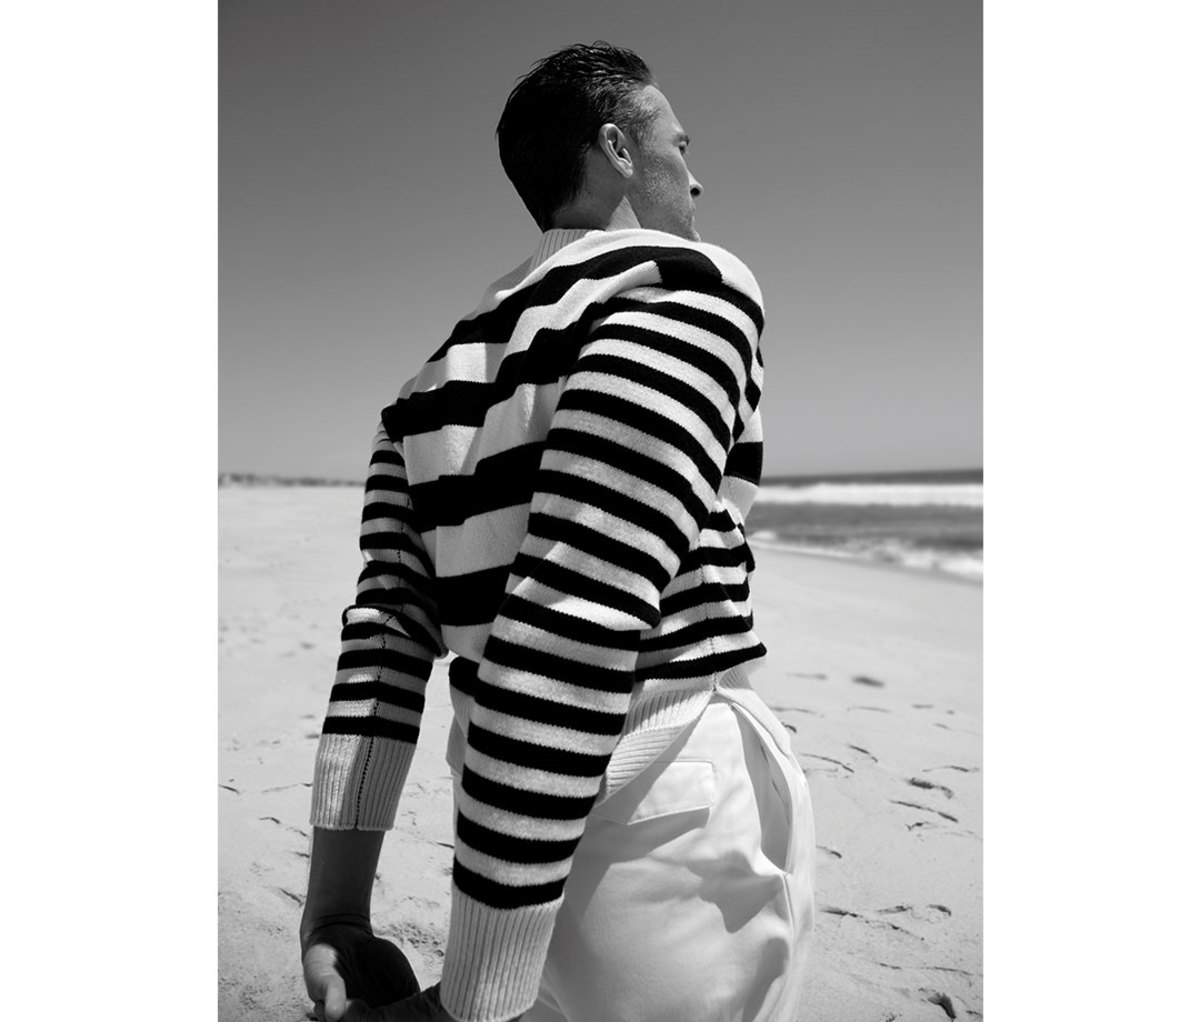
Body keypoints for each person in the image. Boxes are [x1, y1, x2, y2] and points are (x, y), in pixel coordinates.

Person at [299, 42, 815, 1022]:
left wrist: (335, 908)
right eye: (681, 143)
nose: (697, 173)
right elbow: (576, 616)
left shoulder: (428, 383)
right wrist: (473, 1002)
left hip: (509, 845)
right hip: (669, 840)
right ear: (617, 147)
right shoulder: (678, 281)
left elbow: (382, 647)